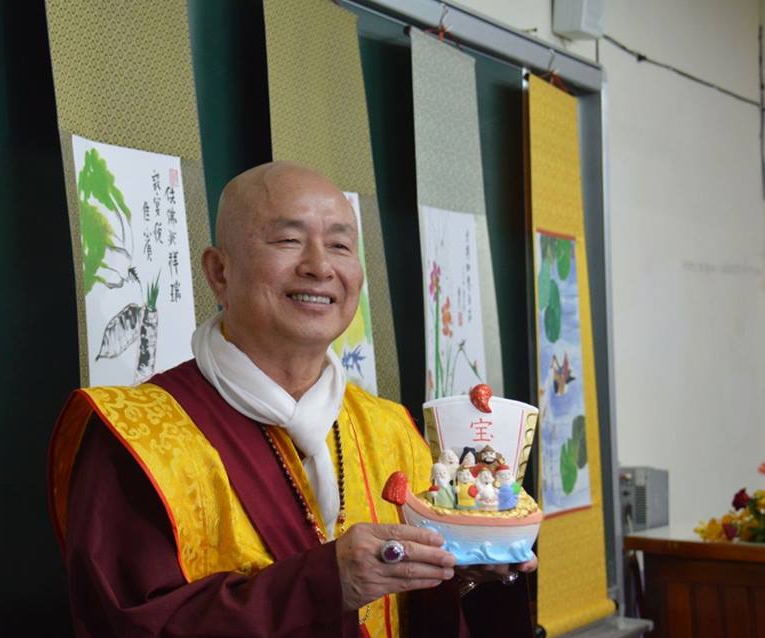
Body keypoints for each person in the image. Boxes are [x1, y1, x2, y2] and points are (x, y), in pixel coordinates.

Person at [48, 162, 537, 637]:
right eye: (288, 240)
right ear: (219, 272)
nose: (320, 267)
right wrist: (324, 584)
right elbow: (127, 623)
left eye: (340, 245)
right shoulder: (138, 437)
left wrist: (471, 575)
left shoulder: (391, 429)